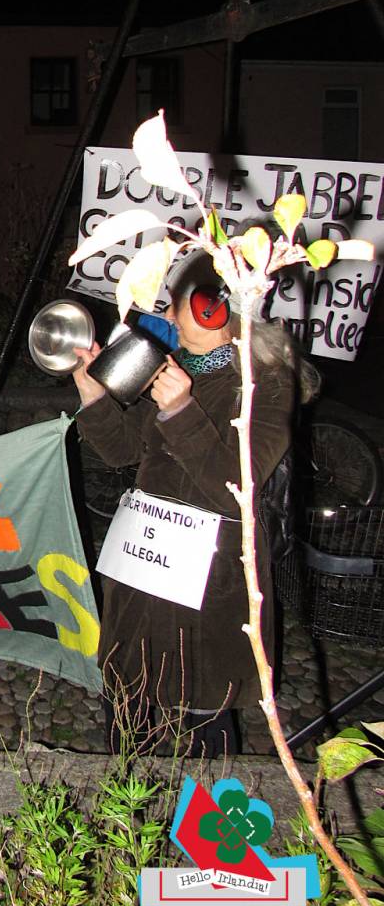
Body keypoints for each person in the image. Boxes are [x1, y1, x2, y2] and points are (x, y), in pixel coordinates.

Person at [72, 252, 318, 757]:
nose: (164, 317)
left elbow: (237, 480)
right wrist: (94, 396)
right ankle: (126, 808)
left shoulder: (266, 384)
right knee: (128, 702)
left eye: (175, 305)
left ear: (214, 310)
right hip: (144, 563)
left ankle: (201, 831)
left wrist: (181, 408)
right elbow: (124, 451)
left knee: (200, 712)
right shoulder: (179, 366)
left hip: (205, 579)